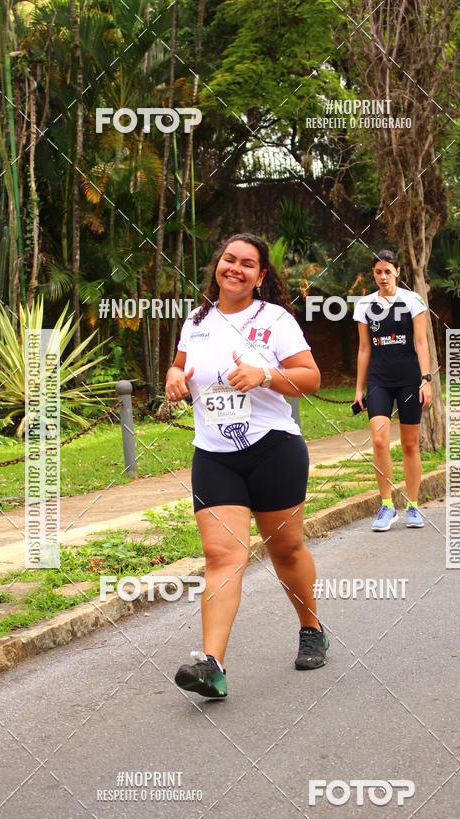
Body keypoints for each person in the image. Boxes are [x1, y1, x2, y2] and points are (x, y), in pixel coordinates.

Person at [164, 233, 328, 699]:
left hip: (273, 449)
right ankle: (211, 664)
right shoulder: (196, 321)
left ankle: (311, 627)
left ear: (260, 275)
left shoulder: (274, 319)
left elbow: (311, 378)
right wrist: (176, 378)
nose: (235, 268)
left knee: (286, 552)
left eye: (247, 264)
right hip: (215, 454)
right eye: (228, 259)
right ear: (218, 265)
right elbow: (179, 368)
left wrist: (266, 375)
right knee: (221, 556)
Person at [353, 249, 433, 531]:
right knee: (379, 441)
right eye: (378, 272)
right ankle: (387, 505)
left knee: (410, 444)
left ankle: (413, 505)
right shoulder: (364, 304)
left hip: (410, 378)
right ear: (373, 274)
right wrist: (359, 388)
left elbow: (421, 342)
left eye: (388, 271)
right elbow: (364, 349)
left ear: (398, 271)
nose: (383, 277)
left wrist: (426, 380)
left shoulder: (412, 301)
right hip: (379, 379)